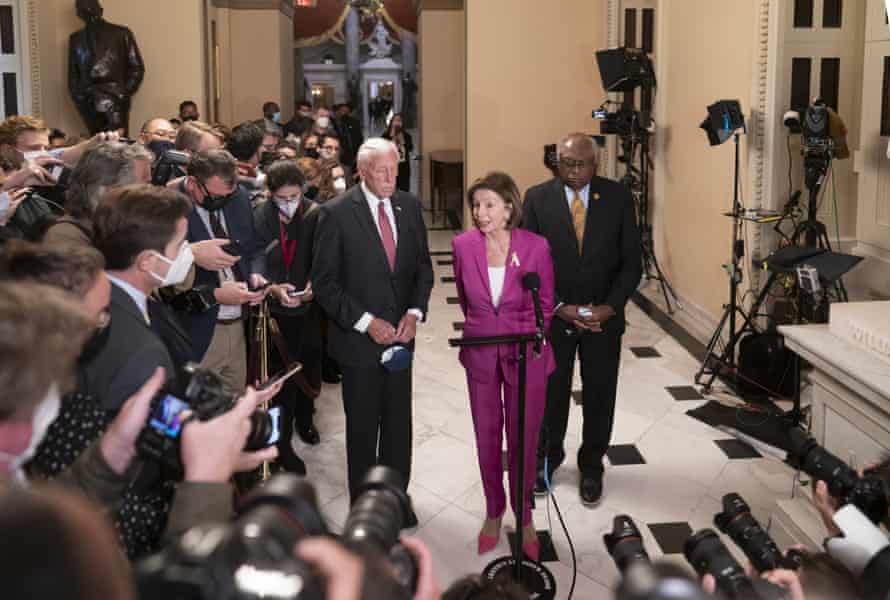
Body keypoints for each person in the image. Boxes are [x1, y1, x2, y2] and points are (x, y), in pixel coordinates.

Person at [311, 138, 434, 502]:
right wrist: (367, 322)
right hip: (358, 344)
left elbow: (422, 269)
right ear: (362, 172)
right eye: (382, 170)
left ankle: (396, 499)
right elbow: (325, 284)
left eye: (395, 168)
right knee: (363, 429)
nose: (390, 176)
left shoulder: (409, 206)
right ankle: (365, 505)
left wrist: (414, 313)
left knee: (399, 427)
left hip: (401, 339)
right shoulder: (335, 213)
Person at [522, 133, 642, 505]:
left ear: (596, 163)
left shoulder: (619, 198)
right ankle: (547, 458)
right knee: (551, 395)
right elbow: (529, 263)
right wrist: (558, 307)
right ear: (557, 161)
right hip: (555, 318)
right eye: (567, 163)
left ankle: (592, 465)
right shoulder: (537, 199)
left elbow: (631, 263)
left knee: (600, 393)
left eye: (582, 164)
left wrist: (610, 307)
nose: (574, 171)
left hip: (603, 318)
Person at [452, 172, 554, 561]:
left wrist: (525, 333)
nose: (480, 213)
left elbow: (544, 303)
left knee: (524, 437)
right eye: (476, 205)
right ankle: (494, 511)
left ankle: (524, 516)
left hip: (526, 352)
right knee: (487, 436)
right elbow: (465, 298)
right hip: (481, 351)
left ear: (509, 206)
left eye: (489, 204)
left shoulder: (536, 247)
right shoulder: (463, 246)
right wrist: (486, 326)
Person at [173, 149, 281, 393]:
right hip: (197, 329)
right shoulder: (166, 206)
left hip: (238, 323)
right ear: (192, 183)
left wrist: (256, 274)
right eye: (215, 196)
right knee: (197, 412)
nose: (222, 202)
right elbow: (162, 281)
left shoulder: (238, 197)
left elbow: (253, 248)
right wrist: (216, 294)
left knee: (234, 403)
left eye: (228, 196)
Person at [81, 184, 191, 411]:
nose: (188, 252)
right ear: (147, 261)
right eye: (180, 245)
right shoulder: (139, 350)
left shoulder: (104, 298)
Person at [253, 160, 322, 470]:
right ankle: (281, 444)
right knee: (281, 379)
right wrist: (271, 287)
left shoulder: (315, 214)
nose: (290, 204)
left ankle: (306, 421)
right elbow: (254, 259)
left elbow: (327, 256)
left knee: (310, 368)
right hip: (275, 310)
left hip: (310, 307)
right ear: (271, 195)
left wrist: (315, 284)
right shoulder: (259, 217)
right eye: (283, 198)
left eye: (295, 196)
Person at [43, 141, 153, 247]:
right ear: (108, 190)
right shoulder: (65, 236)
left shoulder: (125, 225)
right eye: (144, 186)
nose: (151, 192)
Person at [67, 0, 144, 136]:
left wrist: (122, 93)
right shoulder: (75, 39)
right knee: (97, 147)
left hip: (116, 99)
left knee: (119, 147)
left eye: (91, 9)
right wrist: (81, 100)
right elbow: (73, 75)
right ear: (79, 14)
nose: (88, 13)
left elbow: (137, 68)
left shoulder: (122, 33)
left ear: (100, 10)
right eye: (84, 10)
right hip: (89, 101)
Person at [382, 114, 413, 192]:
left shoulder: (407, 136)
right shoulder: (385, 135)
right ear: (391, 122)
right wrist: (391, 137)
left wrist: (403, 142)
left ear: (402, 123)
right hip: (390, 167)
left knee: (404, 190)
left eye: (399, 120)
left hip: (403, 167)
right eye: (395, 120)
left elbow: (410, 148)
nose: (397, 122)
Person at [333, 102, 363, 172]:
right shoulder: (332, 123)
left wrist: (358, 152)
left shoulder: (354, 122)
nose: (344, 113)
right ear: (337, 111)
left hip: (350, 153)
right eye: (342, 110)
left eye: (346, 111)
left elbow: (359, 138)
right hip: (337, 153)